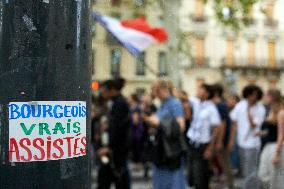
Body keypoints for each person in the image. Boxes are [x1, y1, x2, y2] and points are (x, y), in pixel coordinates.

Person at [144, 79, 186, 189]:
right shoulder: (163, 104)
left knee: (173, 181)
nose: (155, 94)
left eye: (156, 91)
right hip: (161, 149)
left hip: (171, 151)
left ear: (163, 89)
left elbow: (180, 127)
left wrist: (159, 123)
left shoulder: (175, 103)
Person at [97, 77, 131, 189]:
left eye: (105, 89)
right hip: (116, 150)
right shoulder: (116, 102)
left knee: (117, 179)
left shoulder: (119, 103)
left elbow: (119, 129)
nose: (103, 92)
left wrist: (109, 147)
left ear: (112, 90)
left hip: (116, 151)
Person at [187, 83, 221, 189]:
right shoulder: (197, 102)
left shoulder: (211, 108)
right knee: (191, 176)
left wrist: (210, 148)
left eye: (200, 89)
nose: (198, 91)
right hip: (192, 143)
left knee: (200, 177)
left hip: (203, 146)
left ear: (206, 93)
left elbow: (216, 128)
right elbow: (185, 98)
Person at [229, 85, 266, 179]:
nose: (253, 97)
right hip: (241, 142)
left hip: (253, 143)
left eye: (255, 95)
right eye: (251, 95)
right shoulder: (240, 105)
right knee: (244, 169)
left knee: (251, 170)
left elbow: (254, 125)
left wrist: (249, 110)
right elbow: (234, 121)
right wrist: (232, 140)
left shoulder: (260, 108)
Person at [258, 89, 284, 189]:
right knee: (263, 174)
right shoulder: (271, 111)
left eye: (266, 96)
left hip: (276, 146)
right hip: (268, 146)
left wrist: (277, 154)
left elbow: (281, 134)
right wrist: (261, 133)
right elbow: (272, 130)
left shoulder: (281, 113)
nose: (264, 98)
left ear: (272, 97)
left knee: (275, 177)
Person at [212, 84, 234, 188]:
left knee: (225, 163)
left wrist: (220, 141)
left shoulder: (220, 105)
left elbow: (223, 124)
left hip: (222, 140)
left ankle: (230, 185)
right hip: (220, 139)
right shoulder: (220, 105)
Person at [128, 93, 144, 168]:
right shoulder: (133, 107)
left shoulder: (135, 108)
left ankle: (138, 164)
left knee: (137, 147)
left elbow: (135, 121)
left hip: (136, 131)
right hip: (134, 130)